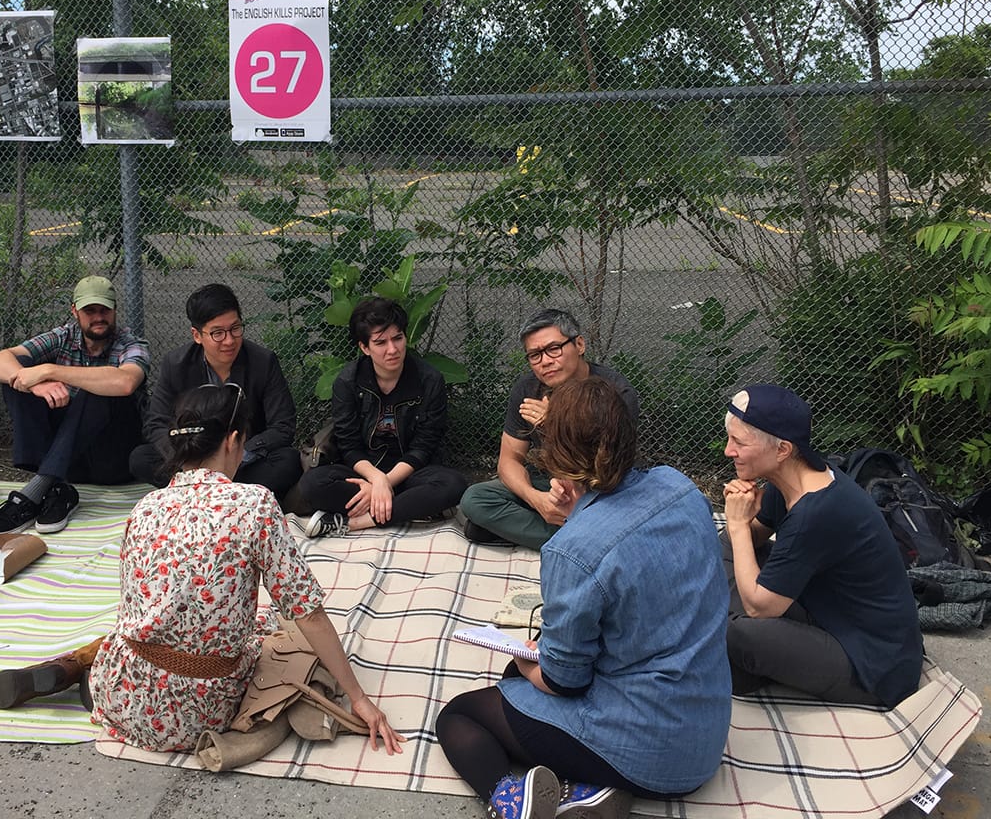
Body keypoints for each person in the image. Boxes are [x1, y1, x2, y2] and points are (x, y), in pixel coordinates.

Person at [437, 376, 730, 819]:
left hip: (650, 750)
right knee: (516, 686)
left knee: (461, 714)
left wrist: (524, 657)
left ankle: (512, 802)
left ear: (557, 455)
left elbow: (564, 682)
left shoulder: (573, 550)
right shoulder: (682, 488)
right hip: (705, 726)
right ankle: (590, 790)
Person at [84, 383, 404, 753]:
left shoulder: (146, 505)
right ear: (234, 440)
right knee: (280, 632)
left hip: (124, 696)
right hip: (197, 712)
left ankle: (75, 668)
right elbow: (307, 613)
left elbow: (135, 604)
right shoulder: (254, 504)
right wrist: (359, 698)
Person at [721, 383, 923, 707]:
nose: (728, 451)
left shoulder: (815, 512)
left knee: (741, 634)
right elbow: (752, 538)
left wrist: (736, 523)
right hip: (823, 609)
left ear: (782, 449)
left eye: (739, 443)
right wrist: (742, 522)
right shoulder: (794, 477)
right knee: (724, 545)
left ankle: (735, 652)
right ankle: (742, 653)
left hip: (872, 664)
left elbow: (761, 608)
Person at [458, 308, 639, 550]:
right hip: (549, 483)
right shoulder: (527, 390)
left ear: (580, 345)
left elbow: (604, 468)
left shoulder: (615, 391)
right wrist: (537, 500)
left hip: (600, 484)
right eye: (535, 355)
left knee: (622, 511)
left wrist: (555, 424)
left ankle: (565, 537)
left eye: (554, 349)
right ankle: (584, 538)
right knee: (476, 499)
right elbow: (509, 460)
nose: (545, 361)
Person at [0, 275, 149, 534]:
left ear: (115, 310)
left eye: (104, 310)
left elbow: (125, 382)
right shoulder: (62, 337)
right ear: (74, 311)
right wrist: (34, 383)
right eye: (89, 310)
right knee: (17, 376)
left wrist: (50, 370)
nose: (98, 317)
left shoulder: (130, 343)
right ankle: (56, 488)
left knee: (99, 388)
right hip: (70, 458)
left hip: (113, 458)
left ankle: (35, 491)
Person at [296, 297, 466, 538]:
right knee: (312, 484)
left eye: (398, 338)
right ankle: (405, 507)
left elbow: (424, 446)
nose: (393, 349)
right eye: (380, 342)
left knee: (453, 485)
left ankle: (354, 523)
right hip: (364, 473)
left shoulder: (429, 380)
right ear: (364, 347)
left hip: (410, 473)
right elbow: (349, 444)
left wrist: (387, 482)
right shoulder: (347, 382)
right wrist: (377, 481)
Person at [128, 283, 299, 505]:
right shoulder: (176, 364)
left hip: (242, 460)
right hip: (192, 460)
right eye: (217, 333)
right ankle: (233, 497)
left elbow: (283, 426)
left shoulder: (263, 362)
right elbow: (156, 424)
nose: (229, 340)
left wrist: (237, 455)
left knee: (289, 461)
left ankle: (198, 497)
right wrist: (190, 459)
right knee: (140, 458)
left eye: (235, 328)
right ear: (197, 335)